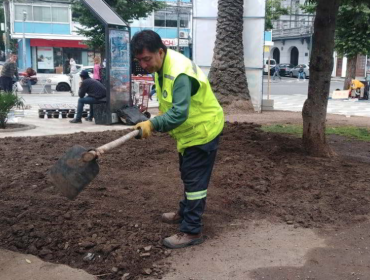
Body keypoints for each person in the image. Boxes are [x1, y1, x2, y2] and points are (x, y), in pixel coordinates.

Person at [131, 30, 224, 249]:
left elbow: (179, 113)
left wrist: (152, 125)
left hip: (203, 130)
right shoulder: (161, 66)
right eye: (139, 61)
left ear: (160, 52)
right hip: (189, 132)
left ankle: (192, 230)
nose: (143, 65)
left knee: (195, 182)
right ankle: (185, 212)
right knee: (189, 175)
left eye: (146, 59)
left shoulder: (179, 72)